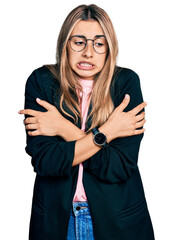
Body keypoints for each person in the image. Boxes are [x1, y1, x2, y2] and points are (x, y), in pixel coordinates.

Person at [18, 4, 155, 240]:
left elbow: (117, 166)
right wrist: (108, 133)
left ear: (109, 49)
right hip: (57, 222)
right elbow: (46, 162)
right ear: (65, 45)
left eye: (99, 44)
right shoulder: (41, 82)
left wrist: (61, 127)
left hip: (118, 221)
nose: (88, 53)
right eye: (79, 42)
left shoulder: (125, 84)